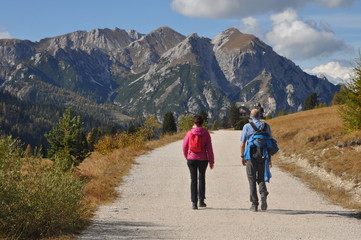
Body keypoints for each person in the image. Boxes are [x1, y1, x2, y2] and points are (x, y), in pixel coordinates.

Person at [240, 109, 272, 212]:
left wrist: (242, 156)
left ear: (251, 116)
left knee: (252, 178)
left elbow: (242, 143)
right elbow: (269, 143)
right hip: (263, 154)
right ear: (260, 115)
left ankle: (254, 204)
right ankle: (263, 193)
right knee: (261, 177)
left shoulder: (247, 126)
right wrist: (269, 159)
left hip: (251, 155)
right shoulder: (266, 126)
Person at [182, 115, 214, 210]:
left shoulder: (189, 133)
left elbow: (184, 146)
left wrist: (187, 156)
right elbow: (209, 149)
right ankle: (201, 201)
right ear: (202, 123)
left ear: (194, 123)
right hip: (203, 159)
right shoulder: (206, 133)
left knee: (193, 180)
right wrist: (211, 161)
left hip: (191, 158)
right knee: (202, 179)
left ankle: (194, 203)